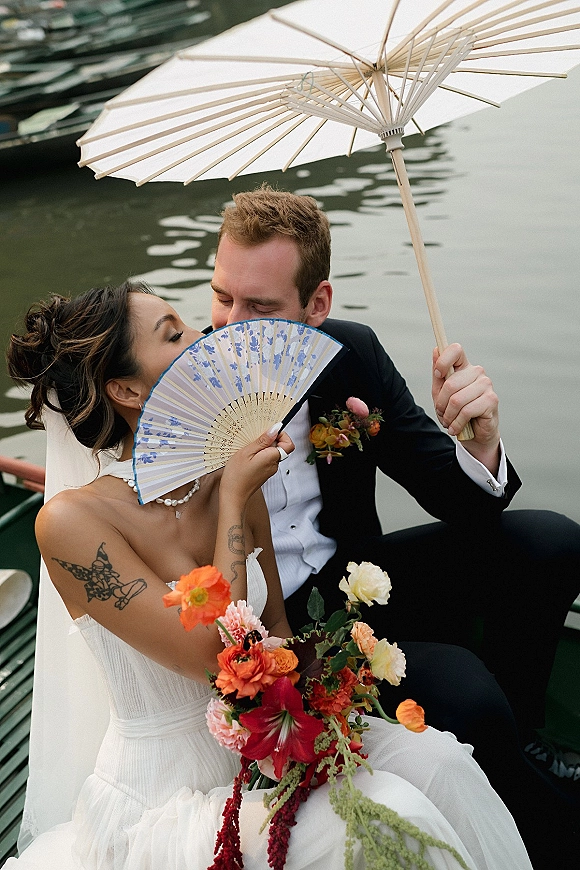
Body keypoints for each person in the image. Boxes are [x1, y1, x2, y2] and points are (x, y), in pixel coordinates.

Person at [5, 281, 533, 870]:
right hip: (167, 795)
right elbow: (214, 658)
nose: (203, 338)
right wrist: (233, 498)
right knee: (398, 815)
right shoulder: (72, 523)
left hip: (273, 747)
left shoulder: (224, 473)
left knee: (443, 766)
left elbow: (275, 632)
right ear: (126, 389)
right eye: (174, 335)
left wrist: (341, 668)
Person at [208, 186, 580, 865]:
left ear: (317, 305)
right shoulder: (183, 392)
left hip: (355, 582)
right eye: (221, 297)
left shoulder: (350, 353)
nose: (231, 326)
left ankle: (520, 738)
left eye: (259, 307)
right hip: (269, 626)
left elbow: (452, 492)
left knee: (551, 543)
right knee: (468, 693)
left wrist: (477, 444)